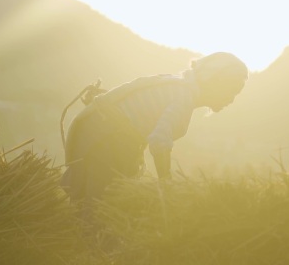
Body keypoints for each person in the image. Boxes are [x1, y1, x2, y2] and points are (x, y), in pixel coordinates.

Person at [60, 52, 248, 203]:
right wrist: (166, 184)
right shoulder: (184, 95)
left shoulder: (179, 86)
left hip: (103, 132)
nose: (231, 100)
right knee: (102, 205)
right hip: (105, 136)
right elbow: (159, 140)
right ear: (213, 81)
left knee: (100, 201)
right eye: (230, 90)